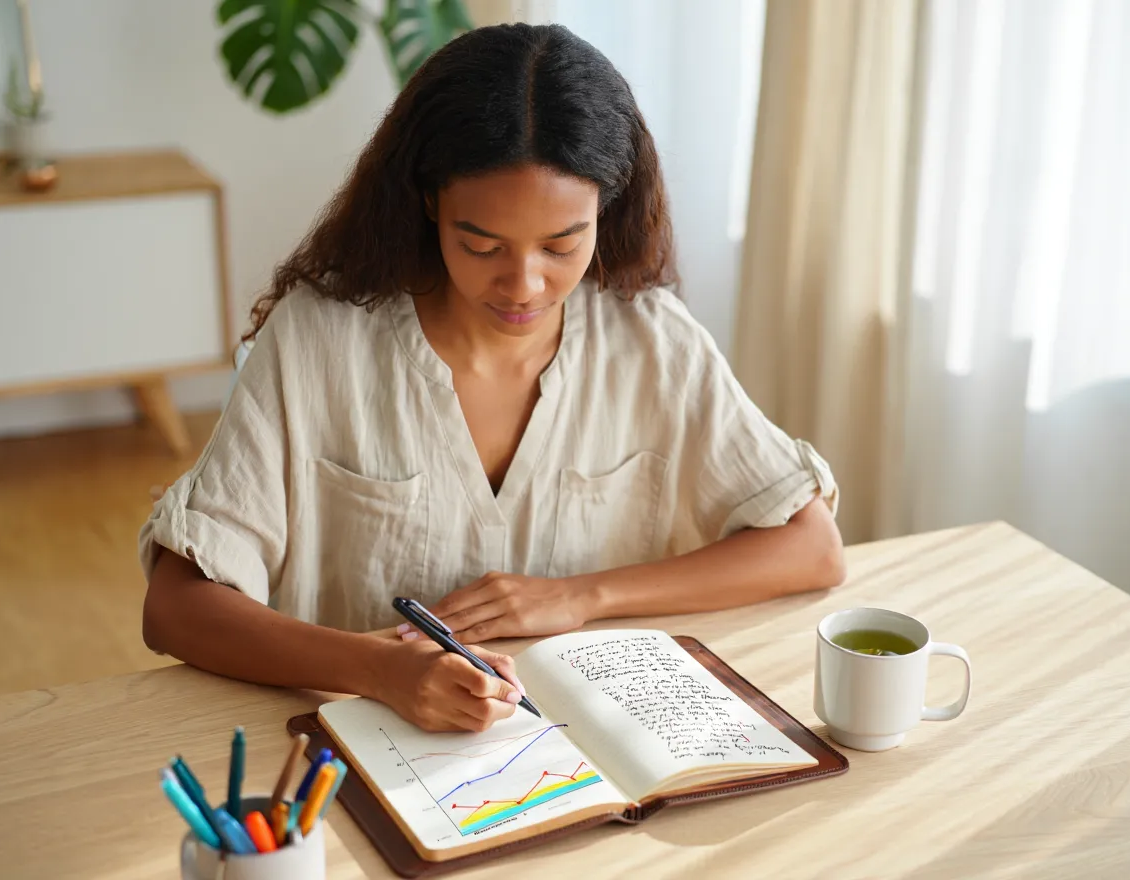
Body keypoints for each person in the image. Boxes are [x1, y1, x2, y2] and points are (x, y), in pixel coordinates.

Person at [140, 23, 845, 735]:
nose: (524, 284)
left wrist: (580, 596)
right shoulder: (320, 340)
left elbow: (811, 547)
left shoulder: (648, 338)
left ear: (606, 209)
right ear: (428, 204)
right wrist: (379, 668)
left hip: (587, 750)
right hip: (357, 754)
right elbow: (175, 606)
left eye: (562, 243)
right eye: (481, 244)